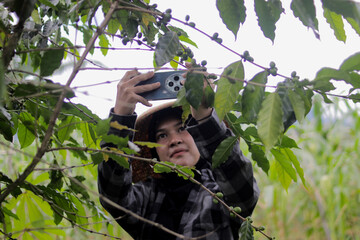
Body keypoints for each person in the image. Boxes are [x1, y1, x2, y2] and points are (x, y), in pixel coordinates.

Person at [97, 68, 260, 240]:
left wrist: (204, 116)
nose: (174, 140)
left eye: (182, 128)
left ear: (198, 134)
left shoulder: (219, 193)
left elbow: (242, 189)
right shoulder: (147, 197)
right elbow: (113, 196)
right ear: (154, 150)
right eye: (162, 135)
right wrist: (120, 118)